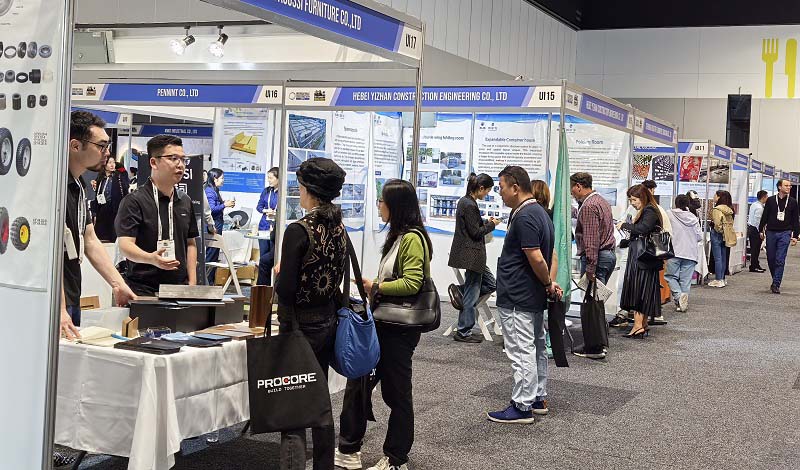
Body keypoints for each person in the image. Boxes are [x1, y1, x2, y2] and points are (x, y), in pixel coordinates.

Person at [336, 179, 432, 470]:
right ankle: (348, 449)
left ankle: (396, 458)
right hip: (382, 325)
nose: (378, 205)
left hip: (398, 330)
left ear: (395, 205)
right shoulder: (398, 236)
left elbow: (412, 283)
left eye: (382, 200)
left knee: (396, 392)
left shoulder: (412, 238)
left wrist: (376, 286)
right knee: (359, 384)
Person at [275, 158, 348, 470]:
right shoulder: (339, 227)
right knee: (319, 401)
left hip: (298, 326)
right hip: (328, 321)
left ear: (309, 190)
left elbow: (286, 289)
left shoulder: (299, 230)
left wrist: (280, 274)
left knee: (293, 404)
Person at [486, 166, 560, 424]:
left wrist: (547, 282)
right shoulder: (539, 212)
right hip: (530, 294)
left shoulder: (526, 216)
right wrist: (547, 283)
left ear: (515, 187)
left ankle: (522, 405)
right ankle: (537, 397)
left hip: (519, 295)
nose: (500, 193)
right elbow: (546, 256)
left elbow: (537, 258)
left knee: (521, 350)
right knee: (535, 347)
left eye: (502, 187)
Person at [61, 110, 137, 337]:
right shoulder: (52, 186)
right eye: (101, 146)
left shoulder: (78, 186)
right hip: (53, 301)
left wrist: (118, 283)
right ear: (75, 146)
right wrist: (57, 307)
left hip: (70, 294)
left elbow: (90, 239)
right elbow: (43, 253)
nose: (107, 152)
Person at [115, 135, 199, 296]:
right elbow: (125, 245)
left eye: (183, 159)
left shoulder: (185, 201)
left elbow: (191, 243)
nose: (180, 165)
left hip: (180, 289)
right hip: (143, 289)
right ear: (154, 163)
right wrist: (151, 258)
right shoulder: (134, 201)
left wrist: (192, 283)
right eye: (173, 158)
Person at [446, 173, 499, 343]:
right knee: (473, 291)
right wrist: (492, 225)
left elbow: (472, 226)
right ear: (481, 188)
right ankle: (463, 331)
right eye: (488, 190)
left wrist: (486, 222)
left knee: (489, 284)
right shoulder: (469, 204)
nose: (487, 194)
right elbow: (476, 232)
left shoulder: (466, 202)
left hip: (471, 255)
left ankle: (460, 292)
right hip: (472, 255)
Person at [570, 172, 616, 359]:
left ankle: (595, 347)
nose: (571, 193)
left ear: (579, 186)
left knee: (592, 303)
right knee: (596, 301)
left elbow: (591, 240)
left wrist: (590, 268)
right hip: (607, 256)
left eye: (572, 188)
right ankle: (598, 343)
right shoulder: (600, 201)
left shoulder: (589, 206)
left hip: (597, 258)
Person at [616, 184, 663, 338]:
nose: (632, 203)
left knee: (639, 290)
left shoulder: (649, 210)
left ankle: (638, 326)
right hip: (644, 258)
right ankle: (642, 324)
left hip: (643, 259)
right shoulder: (650, 209)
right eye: (631, 200)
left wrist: (625, 225)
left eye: (634, 200)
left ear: (642, 197)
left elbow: (643, 229)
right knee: (643, 290)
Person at [759, 178, 800, 294]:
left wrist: (796, 235)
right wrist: (761, 230)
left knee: (780, 259)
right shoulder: (771, 200)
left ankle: (776, 284)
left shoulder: (793, 202)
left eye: (790, 186)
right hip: (771, 232)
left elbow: (796, 220)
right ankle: (775, 278)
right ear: (779, 187)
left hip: (785, 233)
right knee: (771, 258)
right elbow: (765, 216)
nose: (789, 187)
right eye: (786, 185)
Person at [665, 195, 702, 312]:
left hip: (674, 251)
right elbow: (699, 236)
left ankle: (678, 296)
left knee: (670, 276)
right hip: (690, 252)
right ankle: (681, 302)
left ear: (675, 203)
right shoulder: (693, 217)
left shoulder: (669, 214)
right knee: (685, 280)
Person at [204, 168, 235, 284]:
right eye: (222, 178)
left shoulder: (214, 189)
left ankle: (210, 282)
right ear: (215, 178)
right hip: (213, 226)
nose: (223, 180)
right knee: (211, 255)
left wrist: (224, 204)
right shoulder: (209, 191)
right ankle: (207, 282)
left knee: (214, 255)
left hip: (217, 225)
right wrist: (224, 205)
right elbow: (211, 210)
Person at [91, 156, 130, 242]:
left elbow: (125, 188)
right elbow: (98, 191)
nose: (112, 165)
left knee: (113, 233)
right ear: (105, 164)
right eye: (109, 162)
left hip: (114, 207)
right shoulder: (101, 177)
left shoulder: (119, 175)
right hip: (102, 207)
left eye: (113, 162)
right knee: (101, 235)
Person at [256, 167, 280, 285]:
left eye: (271, 178)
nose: (269, 180)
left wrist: (275, 213)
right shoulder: (266, 191)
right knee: (263, 258)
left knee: (272, 258)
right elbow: (259, 207)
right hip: (264, 226)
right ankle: (263, 288)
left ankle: (273, 286)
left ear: (278, 178)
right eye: (268, 178)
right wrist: (266, 210)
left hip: (275, 228)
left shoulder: (283, 193)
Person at [708, 190, 736, 288]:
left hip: (717, 234)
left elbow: (717, 224)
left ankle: (718, 279)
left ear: (719, 197)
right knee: (723, 257)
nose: (714, 197)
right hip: (726, 234)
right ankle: (722, 278)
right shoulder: (730, 209)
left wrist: (719, 230)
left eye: (715, 195)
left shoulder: (717, 209)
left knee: (717, 258)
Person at [748, 190, 768, 273]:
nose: (767, 198)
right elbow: (758, 221)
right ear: (763, 197)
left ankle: (756, 264)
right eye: (766, 196)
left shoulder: (754, 204)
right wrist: (760, 232)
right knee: (755, 249)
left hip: (751, 228)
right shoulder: (760, 208)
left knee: (754, 248)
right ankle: (754, 266)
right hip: (755, 229)